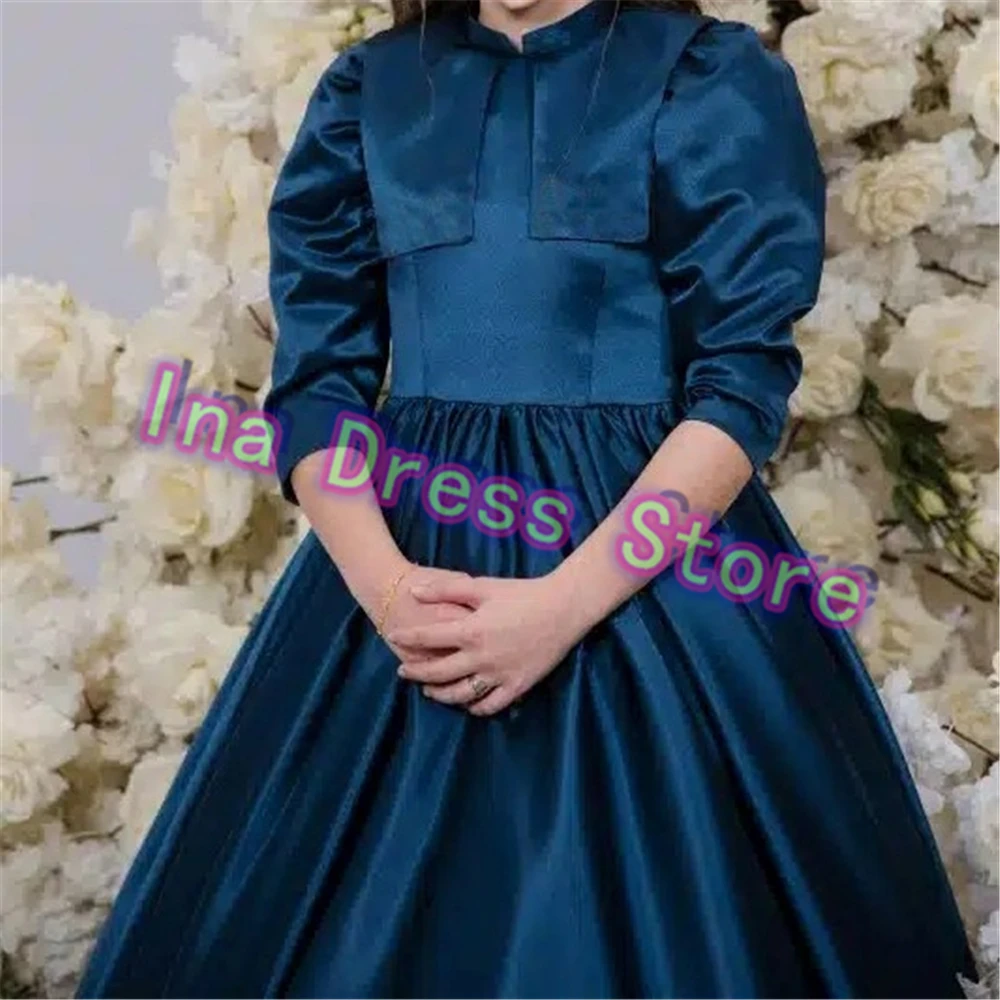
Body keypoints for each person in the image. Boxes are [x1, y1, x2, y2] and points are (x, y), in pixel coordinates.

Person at [78, 1, 978, 996]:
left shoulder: (708, 76)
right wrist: (392, 596)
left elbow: (740, 385)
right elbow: (317, 387)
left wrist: (562, 606)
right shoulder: (369, 90)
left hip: (649, 575)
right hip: (398, 566)